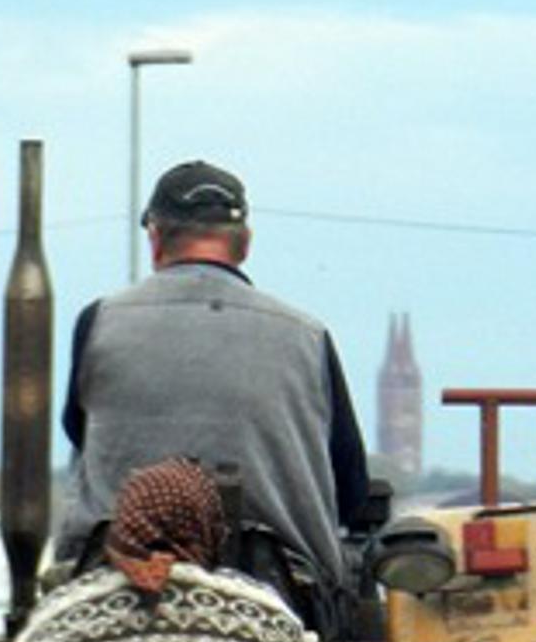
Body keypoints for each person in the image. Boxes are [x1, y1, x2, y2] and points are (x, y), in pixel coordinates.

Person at [58, 159, 370, 615]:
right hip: (285, 598)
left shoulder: (100, 322)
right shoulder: (307, 336)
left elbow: (80, 435)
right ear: (244, 245)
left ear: (155, 238)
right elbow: (351, 488)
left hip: (113, 590)